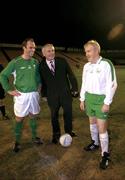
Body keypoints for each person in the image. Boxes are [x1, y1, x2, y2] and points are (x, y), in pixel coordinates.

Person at [0, 38, 43, 152]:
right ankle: (17, 141)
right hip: (21, 96)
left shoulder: (35, 62)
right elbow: (3, 75)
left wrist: (39, 88)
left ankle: (34, 137)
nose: (33, 49)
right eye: (30, 47)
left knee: (33, 116)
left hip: (33, 94)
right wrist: (9, 90)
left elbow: (38, 77)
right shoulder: (15, 62)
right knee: (19, 118)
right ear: (24, 48)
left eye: (34, 47)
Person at [80, 40, 117, 169]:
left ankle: (105, 154)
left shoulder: (106, 64)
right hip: (89, 98)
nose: (87, 54)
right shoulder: (86, 66)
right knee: (92, 124)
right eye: (86, 52)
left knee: (102, 128)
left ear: (96, 50)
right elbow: (84, 83)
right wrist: (82, 99)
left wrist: (107, 103)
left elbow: (112, 85)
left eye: (89, 51)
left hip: (101, 99)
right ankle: (94, 143)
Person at [40, 43, 79, 144]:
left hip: (65, 94)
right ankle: (56, 134)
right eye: (49, 51)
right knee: (54, 116)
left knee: (68, 114)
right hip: (52, 96)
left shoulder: (62, 61)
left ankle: (69, 132)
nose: (52, 52)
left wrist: (74, 88)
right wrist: (44, 94)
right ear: (43, 53)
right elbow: (43, 81)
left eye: (53, 50)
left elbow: (71, 75)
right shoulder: (41, 66)